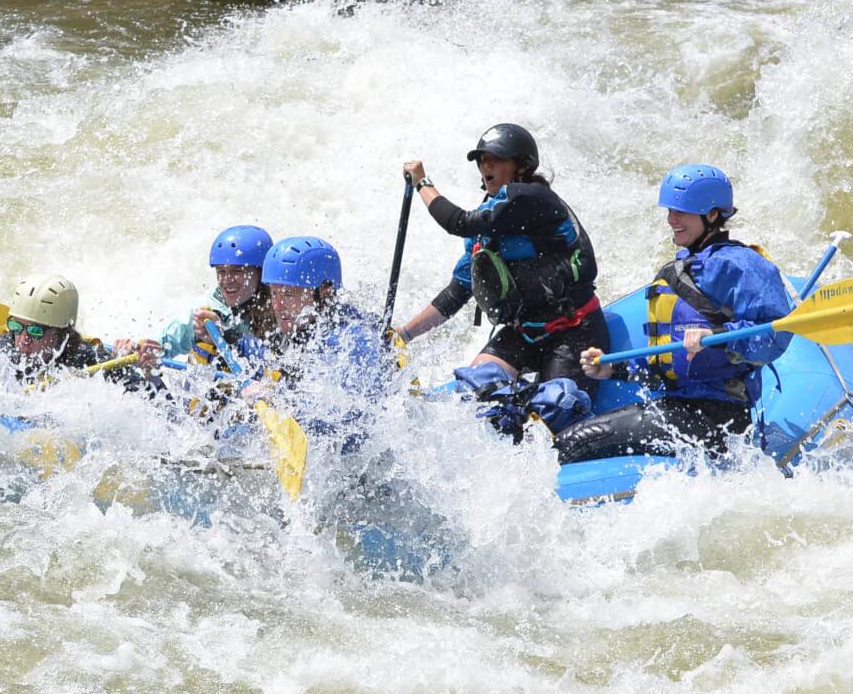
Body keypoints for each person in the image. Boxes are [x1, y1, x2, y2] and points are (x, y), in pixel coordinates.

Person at [555, 164, 794, 464]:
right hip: (676, 406)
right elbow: (667, 359)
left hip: (718, 418)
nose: (672, 220)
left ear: (711, 215)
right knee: (567, 439)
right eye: (670, 211)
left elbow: (776, 333)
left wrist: (717, 337)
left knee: (573, 442)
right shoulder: (676, 270)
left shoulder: (740, 264)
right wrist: (612, 369)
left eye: (681, 212)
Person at [400, 123, 608, 436]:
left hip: (573, 332)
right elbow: (458, 292)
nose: (486, 166)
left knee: (556, 406)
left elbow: (458, 222)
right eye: (483, 160)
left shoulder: (533, 199)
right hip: (522, 332)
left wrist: (422, 182)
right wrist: (403, 335)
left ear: (522, 166)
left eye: (496, 159)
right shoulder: (488, 225)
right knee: (476, 385)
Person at [252, 236, 394, 443]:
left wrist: (278, 401)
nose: (278, 305)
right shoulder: (302, 326)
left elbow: (346, 419)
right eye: (274, 293)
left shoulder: (353, 340)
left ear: (325, 291)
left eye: (289, 294)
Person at [122, 225, 277, 371]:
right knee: (203, 346)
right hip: (221, 392)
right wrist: (139, 350)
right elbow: (164, 345)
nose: (227, 280)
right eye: (221, 271)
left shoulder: (282, 307)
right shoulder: (205, 310)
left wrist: (227, 338)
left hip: (264, 386)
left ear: (261, 273)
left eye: (237, 271)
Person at [0, 274, 135, 386]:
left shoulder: (87, 359)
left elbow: (157, 408)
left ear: (62, 334)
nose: (24, 339)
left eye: (36, 331)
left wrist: (130, 366)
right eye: (17, 327)